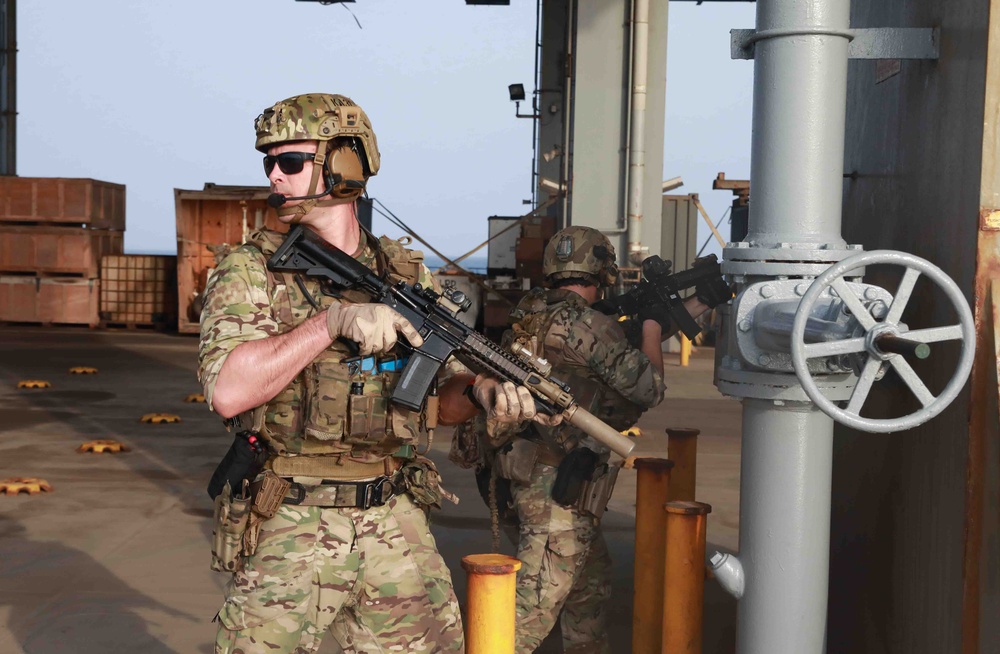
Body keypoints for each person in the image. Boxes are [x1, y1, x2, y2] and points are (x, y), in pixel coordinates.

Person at [199, 92, 532, 654]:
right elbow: (229, 392)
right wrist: (331, 322)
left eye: (291, 162)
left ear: (345, 163)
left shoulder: (405, 274)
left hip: (393, 517)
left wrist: (479, 390)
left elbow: (434, 399)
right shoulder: (250, 269)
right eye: (270, 164)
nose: (275, 178)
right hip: (291, 517)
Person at [482, 226, 714, 653]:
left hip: (536, 475)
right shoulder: (590, 324)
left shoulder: (534, 312)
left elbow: (612, 361)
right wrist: (650, 323)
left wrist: (691, 307)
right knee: (527, 618)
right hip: (557, 487)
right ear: (602, 269)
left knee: (588, 593)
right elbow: (648, 386)